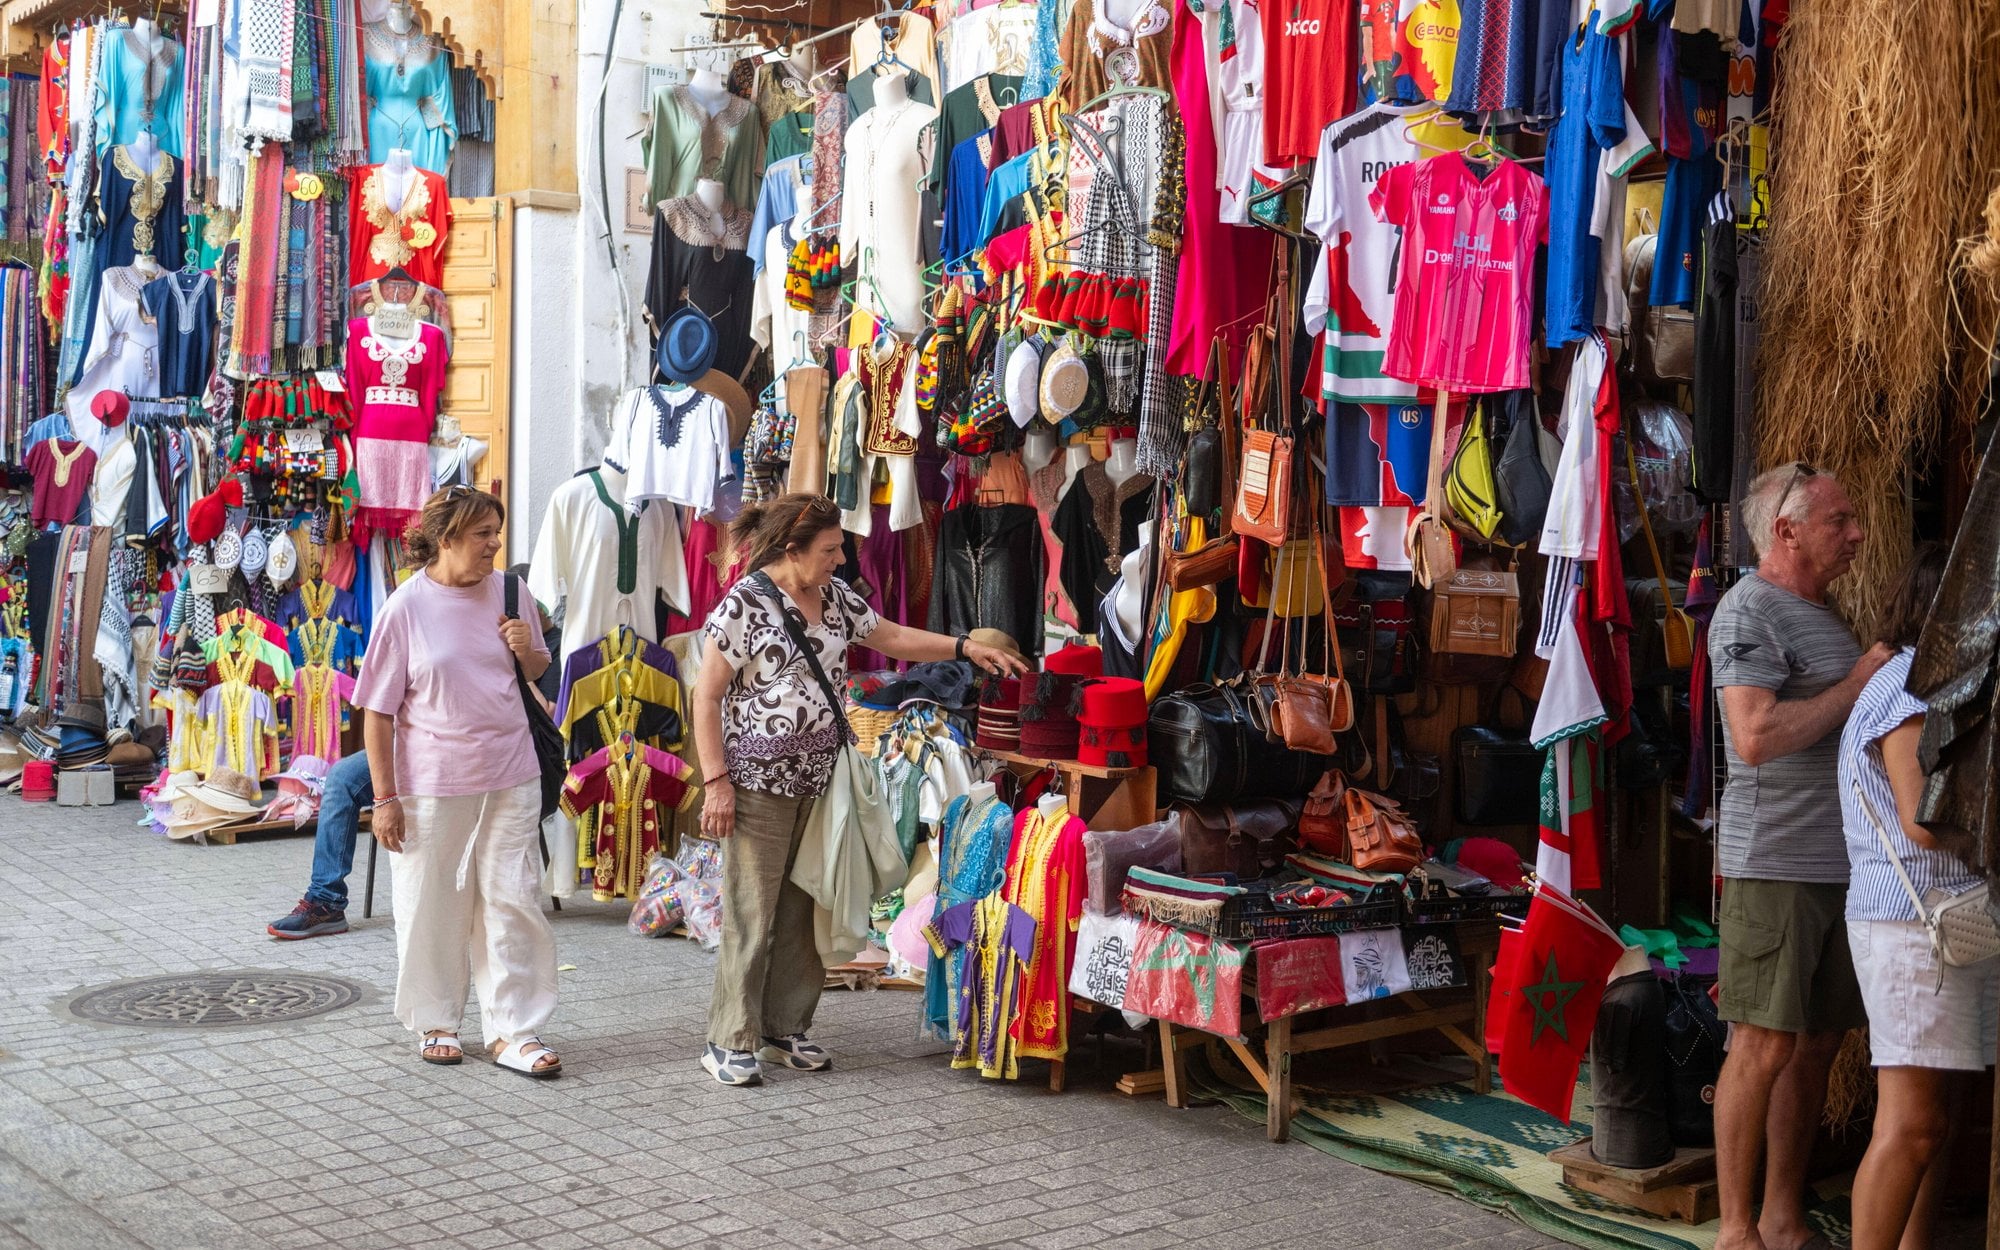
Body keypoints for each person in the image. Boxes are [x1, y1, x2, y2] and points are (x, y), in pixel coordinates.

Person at [690, 493, 1030, 1087]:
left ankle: (781, 1028)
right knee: (752, 909)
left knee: (803, 903)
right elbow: (707, 694)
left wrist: (964, 647)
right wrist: (716, 781)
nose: (841, 558)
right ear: (791, 551)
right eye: (829, 549)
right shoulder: (745, 604)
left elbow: (892, 636)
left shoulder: (834, 598)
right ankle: (728, 1038)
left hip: (822, 782)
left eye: (840, 546)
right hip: (757, 785)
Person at [1708, 463, 1895, 1250]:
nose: (1856, 534)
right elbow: (1753, 738)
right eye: (1839, 520)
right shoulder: (1750, 610)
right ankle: (1735, 1228)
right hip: (1775, 862)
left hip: (1836, 865)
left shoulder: (1820, 612)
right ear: (1785, 531)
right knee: (1762, 1042)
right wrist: (1857, 686)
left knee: (1816, 1045)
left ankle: (1783, 1218)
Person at [355, 486, 563, 1078]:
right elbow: (377, 712)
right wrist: (385, 798)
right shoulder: (406, 607)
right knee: (433, 904)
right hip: (431, 785)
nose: (495, 545)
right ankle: (437, 1021)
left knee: (513, 899)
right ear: (446, 537)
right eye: (483, 535)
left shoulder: (511, 591)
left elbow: (537, 670)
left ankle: (514, 1031)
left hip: (512, 774)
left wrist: (528, 650)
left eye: (497, 533)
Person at [1839, 542, 1994, 1250]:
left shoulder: (1928, 682)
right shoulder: (1906, 685)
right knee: (1913, 1124)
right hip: (1911, 925)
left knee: (1933, 1116)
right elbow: (1921, 823)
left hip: (1928, 924)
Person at [267, 752, 375, 939]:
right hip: (403, 737)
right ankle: (326, 903)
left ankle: (326, 899)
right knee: (341, 777)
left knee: (343, 777)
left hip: (434, 743)